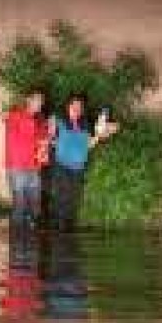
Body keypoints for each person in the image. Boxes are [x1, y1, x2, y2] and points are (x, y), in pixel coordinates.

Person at [49, 94, 117, 231]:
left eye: (80, 106)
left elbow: (89, 144)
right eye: (74, 105)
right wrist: (55, 141)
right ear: (68, 107)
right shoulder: (58, 120)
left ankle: (67, 229)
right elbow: (49, 138)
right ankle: (59, 231)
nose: (77, 109)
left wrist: (100, 135)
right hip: (62, 165)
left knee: (74, 197)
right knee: (63, 197)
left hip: (78, 167)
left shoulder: (84, 125)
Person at [4, 91, 51, 226]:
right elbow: (30, 136)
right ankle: (17, 239)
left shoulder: (40, 121)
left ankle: (30, 237)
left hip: (34, 166)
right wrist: (41, 139)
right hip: (17, 166)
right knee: (20, 204)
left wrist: (49, 134)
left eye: (41, 101)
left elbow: (45, 140)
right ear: (28, 100)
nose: (40, 104)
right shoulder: (16, 115)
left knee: (35, 204)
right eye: (37, 100)